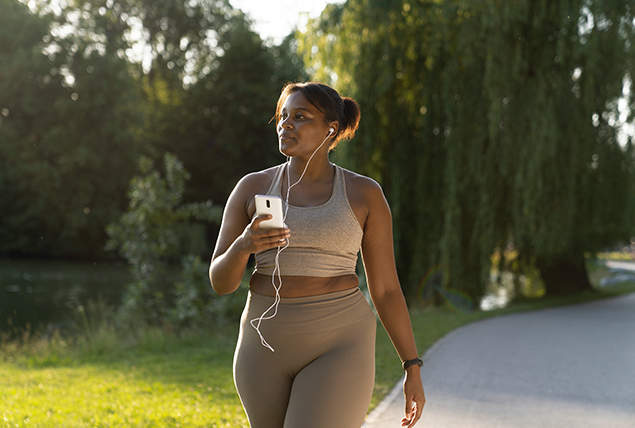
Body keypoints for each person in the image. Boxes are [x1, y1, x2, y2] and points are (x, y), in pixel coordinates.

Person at [209, 82, 425, 428]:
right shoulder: (251, 187)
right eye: (283, 116)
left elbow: (385, 290)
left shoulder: (364, 193)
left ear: (331, 129)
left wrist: (411, 366)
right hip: (262, 343)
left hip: (339, 341)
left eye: (300, 117)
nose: (286, 124)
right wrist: (244, 246)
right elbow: (221, 282)